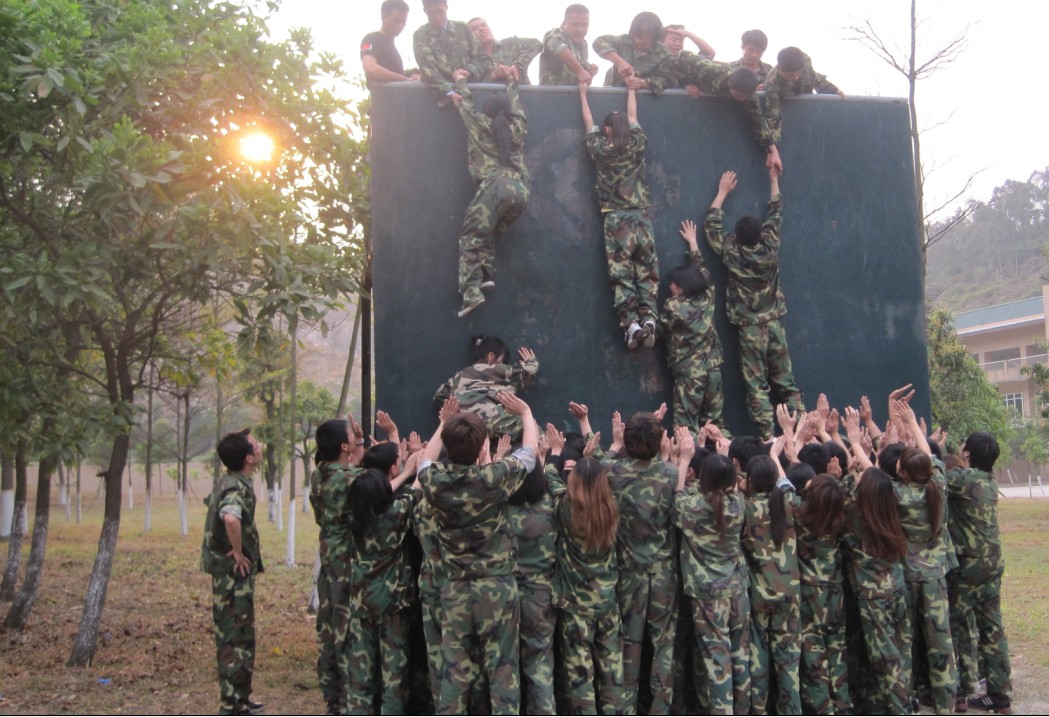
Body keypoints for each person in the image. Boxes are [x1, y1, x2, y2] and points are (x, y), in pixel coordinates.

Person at [418, 393, 539, 715]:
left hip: (455, 587)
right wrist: (525, 413)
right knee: (502, 669)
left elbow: (424, 462)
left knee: (454, 671)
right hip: (497, 587)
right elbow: (529, 455)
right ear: (483, 447)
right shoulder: (494, 478)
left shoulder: (435, 481)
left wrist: (443, 422)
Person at [704, 168, 804, 438]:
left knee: (757, 386)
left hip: (749, 329)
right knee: (786, 382)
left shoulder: (732, 252)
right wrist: (773, 178)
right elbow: (776, 211)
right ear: (761, 234)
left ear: (736, 236)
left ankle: (768, 436)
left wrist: (722, 192)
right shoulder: (770, 246)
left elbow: (712, 225)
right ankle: (805, 430)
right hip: (774, 324)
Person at [545, 428, 624, 715]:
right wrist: (607, 451)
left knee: (580, 672)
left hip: (576, 604)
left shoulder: (567, 508)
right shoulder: (613, 508)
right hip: (607, 601)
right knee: (612, 668)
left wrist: (554, 453)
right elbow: (612, 474)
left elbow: (551, 481)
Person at [889, 397, 959, 716]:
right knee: (940, 644)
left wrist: (901, 427)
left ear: (901, 470)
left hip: (905, 577)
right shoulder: (938, 485)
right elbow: (930, 458)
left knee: (904, 644)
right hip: (934, 578)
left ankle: (905, 704)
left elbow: (874, 466)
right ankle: (946, 705)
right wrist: (915, 426)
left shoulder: (897, 494)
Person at [673, 441, 752, 716]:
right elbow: (732, 483)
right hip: (738, 591)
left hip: (708, 596)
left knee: (717, 661)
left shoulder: (691, 507)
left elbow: (678, 495)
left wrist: (683, 461)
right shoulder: (739, 503)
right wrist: (726, 452)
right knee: (741, 657)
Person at [579, 83, 660, 348]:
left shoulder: (600, 149)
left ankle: (632, 324)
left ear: (607, 129)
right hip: (642, 217)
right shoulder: (638, 144)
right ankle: (650, 318)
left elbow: (588, 122)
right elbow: (633, 117)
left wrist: (582, 92)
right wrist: (631, 89)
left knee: (622, 274)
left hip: (615, 220)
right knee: (647, 271)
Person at [447, 71, 530, 317]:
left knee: (472, 234)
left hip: (494, 186)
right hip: (521, 191)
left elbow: (464, 101)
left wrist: (460, 79)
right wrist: (512, 81)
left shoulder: (479, 123)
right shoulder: (519, 128)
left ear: (487, 111)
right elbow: (516, 105)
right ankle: (486, 273)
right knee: (489, 230)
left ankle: (471, 294)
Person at [344, 459, 420, 714]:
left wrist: (405, 471)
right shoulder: (394, 515)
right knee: (394, 676)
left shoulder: (353, 517)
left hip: (360, 604)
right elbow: (416, 488)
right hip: (392, 607)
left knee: (359, 675)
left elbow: (378, 495)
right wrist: (414, 468)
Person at [946, 431, 1012, 714]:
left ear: (968, 453)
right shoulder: (988, 480)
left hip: (969, 565)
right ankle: (1000, 697)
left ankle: (960, 694)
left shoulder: (964, 479)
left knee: (960, 628)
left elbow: (933, 471)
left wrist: (911, 426)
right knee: (992, 629)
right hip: (992, 562)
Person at [200, 429, 265, 716]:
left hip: (234, 576)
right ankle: (230, 704)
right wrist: (238, 552)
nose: (260, 446)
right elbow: (229, 517)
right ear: (249, 458)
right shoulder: (234, 487)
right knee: (232, 638)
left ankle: (240, 698)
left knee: (243, 636)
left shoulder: (233, 480)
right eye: (254, 445)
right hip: (231, 575)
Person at [840, 466, 911, 716]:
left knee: (886, 658)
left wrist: (847, 475)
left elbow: (842, 497)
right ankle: (879, 704)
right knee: (899, 650)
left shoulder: (855, 516)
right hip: (897, 586)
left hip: (874, 596)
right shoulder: (893, 510)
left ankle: (902, 709)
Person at [308, 417, 366, 715]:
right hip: (346, 564)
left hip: (328, 560)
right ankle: (346, 702)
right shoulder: (349, 479)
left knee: (328, 628)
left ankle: (332, 699)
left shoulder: (319, 474)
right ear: (344, 446)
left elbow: (353, 463)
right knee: (346, 631)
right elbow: (370, 481)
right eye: (350, 438)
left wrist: (355, 441)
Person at [741, 452, 801, 715]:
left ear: (750, 480)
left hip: (759, 597)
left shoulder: (745, 508)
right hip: (790, 594)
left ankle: (758, 709)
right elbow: (787, 484)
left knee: (758, 659)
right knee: (789, 663)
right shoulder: (789, 503)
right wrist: (776, 456)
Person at [793, 474, 850, 715]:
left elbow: (786, 488)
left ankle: (821, 707)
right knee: (836, 646)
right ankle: (842, 703)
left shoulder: (799, 517)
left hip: (809, 593)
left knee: (813, 652)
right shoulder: (840, 518)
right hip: (834, 589)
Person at [662, 219, 724, 432]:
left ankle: (690, 463)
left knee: (686, 427)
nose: (670, 286)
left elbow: (662, 328)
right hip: (712, 369)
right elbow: (702, 270)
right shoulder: (708, 295)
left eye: (672, 283)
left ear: (680, 285)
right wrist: (693, 243)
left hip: (690, 373)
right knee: (715, 424)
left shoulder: (674, 306)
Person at [507, 456, 558, 715]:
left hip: (506, 596)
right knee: (539, 663)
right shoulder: (551, 508)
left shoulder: (500, 509)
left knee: (506, 666)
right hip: (541, 595)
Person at [669, 58, 782, 171]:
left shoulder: (749, 94)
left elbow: (758, 120)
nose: (742, 99)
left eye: (745, 96)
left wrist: (773, 151)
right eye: (739, 95)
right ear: (729, 84)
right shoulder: (712, 71)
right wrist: (686, 82)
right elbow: (682, 57)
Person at [433, 335, 538, 439]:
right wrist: (531, 361)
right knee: (531, 428)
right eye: (501, 361)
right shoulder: (499, 369)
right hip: (494, 421)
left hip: (466, 427)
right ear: (491, 356)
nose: (502, 364)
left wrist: (455, 413)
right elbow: (529, 370)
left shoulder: (459, 375)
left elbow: (440, 394)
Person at [413, 0, 494, 106]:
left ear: (446, 7)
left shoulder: (463, 28)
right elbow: (428, 70)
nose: (436, 16)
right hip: (439, 100)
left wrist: (468, 72)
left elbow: (481, 58)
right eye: (431, 13)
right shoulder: (421, 35)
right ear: (424, 11)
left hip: (471, 94)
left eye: (440, 11)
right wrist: (449, 92)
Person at [763, 46, 844, 148]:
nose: (794, 79)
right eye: (789, 76)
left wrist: (834, 90)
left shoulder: (805, 63)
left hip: (807, 110)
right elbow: (773, 115)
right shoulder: (772, 82)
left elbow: (815, 79)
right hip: (789, 113)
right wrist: (772, 146)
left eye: (796, 75)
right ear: (780, 69)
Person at [592, 11, 675, 94]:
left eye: (648, 36)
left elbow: (668, 79)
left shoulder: (664, 53)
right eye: (640, 35)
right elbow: (599, 42)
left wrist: (643, 83)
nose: (643, 39)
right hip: (616, 96)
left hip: (648, 100)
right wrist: (620, 62)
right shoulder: (623, 42)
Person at [468, 17, 542, 84]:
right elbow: (470, 87)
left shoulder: (509, 44)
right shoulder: (471, 58)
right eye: (475, 29)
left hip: (521, 95)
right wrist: (493, 75)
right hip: (489, 97)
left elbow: (536, 44)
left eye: (484, 25)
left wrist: (518, 65)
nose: (481, 29)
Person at [539, 4, 598, 86]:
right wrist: (580, 71)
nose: (580, 29)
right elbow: (559, 48)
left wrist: (590, 72)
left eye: (585, 25)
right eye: (576, 24)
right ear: (565, 23)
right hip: (551, 95)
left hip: (574, 96)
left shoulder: (583, 44)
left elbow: (583, 77)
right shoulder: (554, 34)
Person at [360, 0, 414, 86]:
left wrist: (413, 75)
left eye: (403, 22)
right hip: (383, 97)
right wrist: (404, 79)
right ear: (383, 16)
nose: (400, 25)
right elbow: (370, 68)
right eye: (396, 21)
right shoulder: (371, 39)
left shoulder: (391, 46)